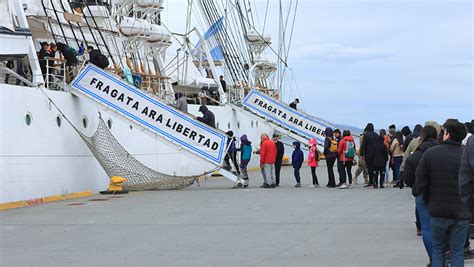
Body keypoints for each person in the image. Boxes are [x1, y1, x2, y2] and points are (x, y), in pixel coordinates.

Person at [417, 119, 469, 267]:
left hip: (438, 210)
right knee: (457, 251)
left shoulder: (431, 154)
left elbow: (421, 182)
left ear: (448, 134)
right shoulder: (467, 154)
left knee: (438, 250)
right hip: (461, 211)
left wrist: (429, 200)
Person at [404, 125, 439, 264]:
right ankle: (444, 254)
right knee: (442, 226)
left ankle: (433, 258)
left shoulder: (415, 155)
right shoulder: (441, 151)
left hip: (421, 194)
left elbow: (407, 178)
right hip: (440, 194)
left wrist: (415, 186)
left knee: (427, 228)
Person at [359, 123, 379, 188]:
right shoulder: (376, 135)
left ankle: (371, 182)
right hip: (376, 154)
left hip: (368, 154)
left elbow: (363, 145)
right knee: (375, 168)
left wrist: (361, 153)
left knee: (370, 168)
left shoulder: (366, 135)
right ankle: (375, 181)